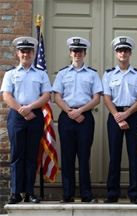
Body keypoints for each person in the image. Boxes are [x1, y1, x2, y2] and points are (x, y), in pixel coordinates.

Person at [1, 36, 51, 204]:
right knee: (16, 155)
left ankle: (29, 193)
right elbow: (7, 96)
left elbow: (46, 95)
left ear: (33, 53)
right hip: (17, 116)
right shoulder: (10, 74)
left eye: (29, 52)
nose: (26, 55)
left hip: (35, 115)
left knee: (31, 156)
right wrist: (22, 110)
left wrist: (30, 108)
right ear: (17, 54)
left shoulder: (41, 74)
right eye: (23, 52)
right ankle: (15, 193)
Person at [52, 37, 102, 203]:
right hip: (67, 117)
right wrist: (70, 111)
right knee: (67, 156)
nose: (77, 54)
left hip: (85, 117)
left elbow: (96, 99)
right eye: (74, 51)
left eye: (80, 51)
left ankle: (86, 194)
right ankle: (68, 194)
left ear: (85, 53)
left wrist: (80, 111)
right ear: (70, 53)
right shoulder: (62, 73)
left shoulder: (92, 74)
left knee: (84, 156)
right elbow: (57, 96)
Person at [102, 36, 137, 204]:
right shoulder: (108, 75)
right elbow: (107, 98)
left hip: (133, 116)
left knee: (133, 156)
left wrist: (126, 115)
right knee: (114, 156)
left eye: (126, 50)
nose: (123, 53)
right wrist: (117, 116)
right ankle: (112, 192)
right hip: (115, 115)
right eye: (120, 50)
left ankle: (135, 193)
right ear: (116, 53)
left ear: (130, 53)